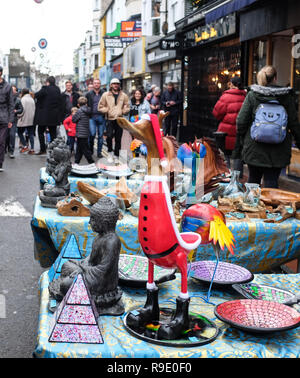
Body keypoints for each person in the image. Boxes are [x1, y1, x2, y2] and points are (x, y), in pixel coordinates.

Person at [235, 65, 300, 188]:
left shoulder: (253, 95)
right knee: (271, 184)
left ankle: (251, 205)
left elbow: (241, 121)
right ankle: (271, 206)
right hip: (278, 151)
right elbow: (294, 123)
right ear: (275, 78)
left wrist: (243, 139)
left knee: (253, 182)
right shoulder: (286, 97)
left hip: (254, 148)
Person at [212, 76, 246, 170]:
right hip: (240, 132)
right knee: (238, 155)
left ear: (231, 84)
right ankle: (237, 179)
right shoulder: (246, 96)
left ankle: (226, 175)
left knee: (225, 154)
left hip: (225, 132)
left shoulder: (226, 96)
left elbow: (216, 113)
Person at [98, 78, 130, 163]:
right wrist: (108, 110)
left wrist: (124, 111)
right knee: (109, 136)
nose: (116, 85)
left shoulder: (124, 95)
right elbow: (100, 107)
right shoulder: (105, 95)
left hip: (120, 119)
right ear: (111, 85)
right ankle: (110, 152)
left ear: (119, 85)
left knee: (118, 138)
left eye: (117, 84)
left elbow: (127, 107)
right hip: (109, 119)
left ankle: (116, 155)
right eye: (114, 84)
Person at [35, 76, 62, 155]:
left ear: (48, 82)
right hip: (53, 116)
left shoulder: (45, 89)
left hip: (44, 116)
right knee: (53, 133)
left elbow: (36, 95)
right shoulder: (57, 90)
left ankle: (43, 149)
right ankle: (53, 150)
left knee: (40, 132)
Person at [86, 78, 106, 158]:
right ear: (93, 84)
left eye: (98, 83)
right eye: (95, 83)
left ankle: (99, 152)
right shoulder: (88, 94)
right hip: (92, 117)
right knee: (92, 134)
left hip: (101, 116)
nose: (96, 84)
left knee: (101, 136)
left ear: (100, 84)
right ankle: (91, 149)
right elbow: (85, 105)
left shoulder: (104, 93)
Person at [72, 96, 94, 165]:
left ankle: (91, 162)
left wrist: (74, 114)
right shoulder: (88, 110)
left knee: (85, 149)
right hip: (85, 132)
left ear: (78, 104)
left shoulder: (79, 111)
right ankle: (76, 162)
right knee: (79, 149)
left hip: (80, 133)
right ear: (86, 104)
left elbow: (74, 120)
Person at [0, 66, 14, 171]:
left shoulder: (7, 86)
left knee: (1, 141)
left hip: (4, 117)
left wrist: (10, 120)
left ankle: (0, 163)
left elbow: (11, 104)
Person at [5, 85, 23, 158]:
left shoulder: (18, 100)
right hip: (5, 119)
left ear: (16, 91)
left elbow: (21, 109)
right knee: (6, 135)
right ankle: (5, 149)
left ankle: (11, 151)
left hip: (13, 120)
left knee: (12, 135)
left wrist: (16, 111)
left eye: (13, 90)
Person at [17, 88, 36, 154]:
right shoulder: (32, 99)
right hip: (31, 119)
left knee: (19, 132)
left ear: (22, 92)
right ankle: (32, 149)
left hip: (23, 119)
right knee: (31, 134)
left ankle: (25, 146)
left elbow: (22, 110)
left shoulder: (23, 99)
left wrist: (18, 116)